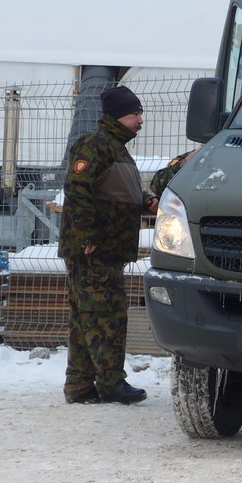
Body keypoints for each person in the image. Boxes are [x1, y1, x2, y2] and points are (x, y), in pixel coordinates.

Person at [59, 85, 159, 405]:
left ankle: (79, 386)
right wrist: (87, 237)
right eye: (134, 114)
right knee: (107, 316)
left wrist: (148, 202)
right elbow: (78, 191)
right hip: (94, 250)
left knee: (86, 317)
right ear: (117, 115)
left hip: (106, 250)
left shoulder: (116, 148)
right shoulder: (95, 145)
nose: (140, 121)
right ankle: (112, 382)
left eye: (140, 114)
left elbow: (119, 191)